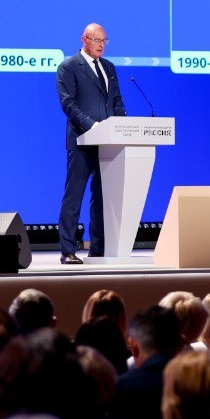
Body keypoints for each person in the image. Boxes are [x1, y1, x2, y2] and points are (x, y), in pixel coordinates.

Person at [56, 21, 126, 264]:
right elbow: (68, 104)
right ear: (84, 39)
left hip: (108, 144)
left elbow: (116, 100)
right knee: (74, 196)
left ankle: (99, 248)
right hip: (82, 141)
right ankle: (67, 250)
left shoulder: (108, 67)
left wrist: (119, 126)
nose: (101, 45)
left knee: (102, 197)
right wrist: (94, 126)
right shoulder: (68, 67)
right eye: (97, 40)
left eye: (104, 41)